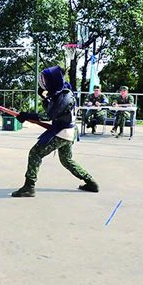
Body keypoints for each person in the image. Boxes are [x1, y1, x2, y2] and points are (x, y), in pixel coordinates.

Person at [11, 65, 99, 197]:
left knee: (35, 153)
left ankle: (29, 186)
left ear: (53, 79)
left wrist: (27, 115)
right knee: (66, 160)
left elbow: (49, 115)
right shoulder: (63, 90)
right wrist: (44, 97)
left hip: (63, 132)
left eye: (46, 80)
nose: (44, 83)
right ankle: (90, 182)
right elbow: (53, 109)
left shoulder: (64, 96)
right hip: (67, 131)